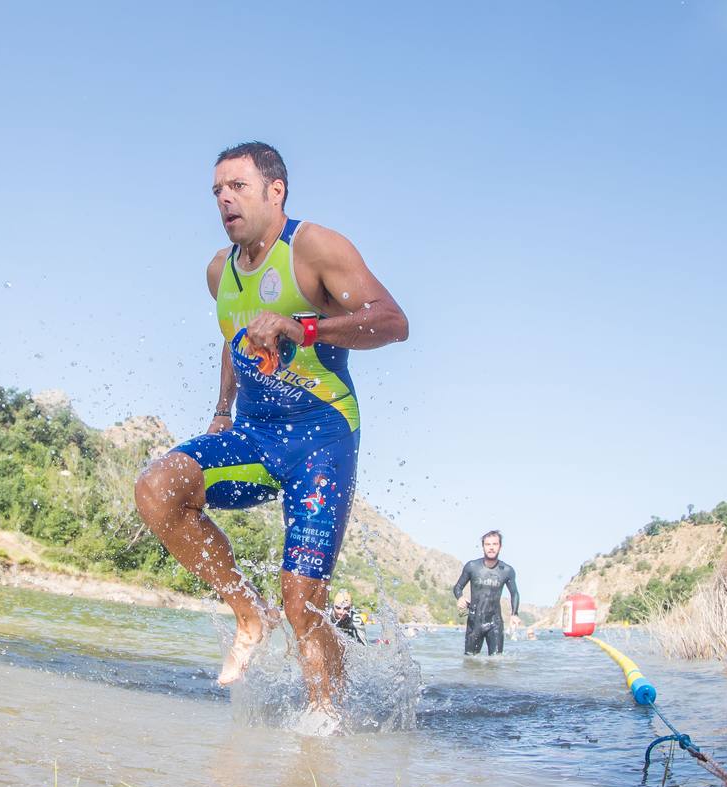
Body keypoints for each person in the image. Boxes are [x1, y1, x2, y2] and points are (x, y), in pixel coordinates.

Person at [135, 142, 408, 717]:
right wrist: (220, 412)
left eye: (236, 187)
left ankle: (325, 726)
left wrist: (304, 328)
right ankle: (246, 614)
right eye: (216, 191)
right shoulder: (220, 272)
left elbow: (392, 322)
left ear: (274, 191)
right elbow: (233, 341)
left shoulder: (313, 248)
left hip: (321, 437)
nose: (224, 200)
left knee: (303, 602)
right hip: (256, 435)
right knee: (157, 488)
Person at [453, 530, 521, 656]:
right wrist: (460, 597)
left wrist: (514, 614)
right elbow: (457, 587)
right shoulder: (472, 566)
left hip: (495, 623)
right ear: (483, 546)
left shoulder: (507, 570)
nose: (491, 547)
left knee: (495, 662)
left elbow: (514, 593)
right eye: (488, 544)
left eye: (495, 544)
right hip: (474, 621)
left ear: (500, 546)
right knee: (470, 662)